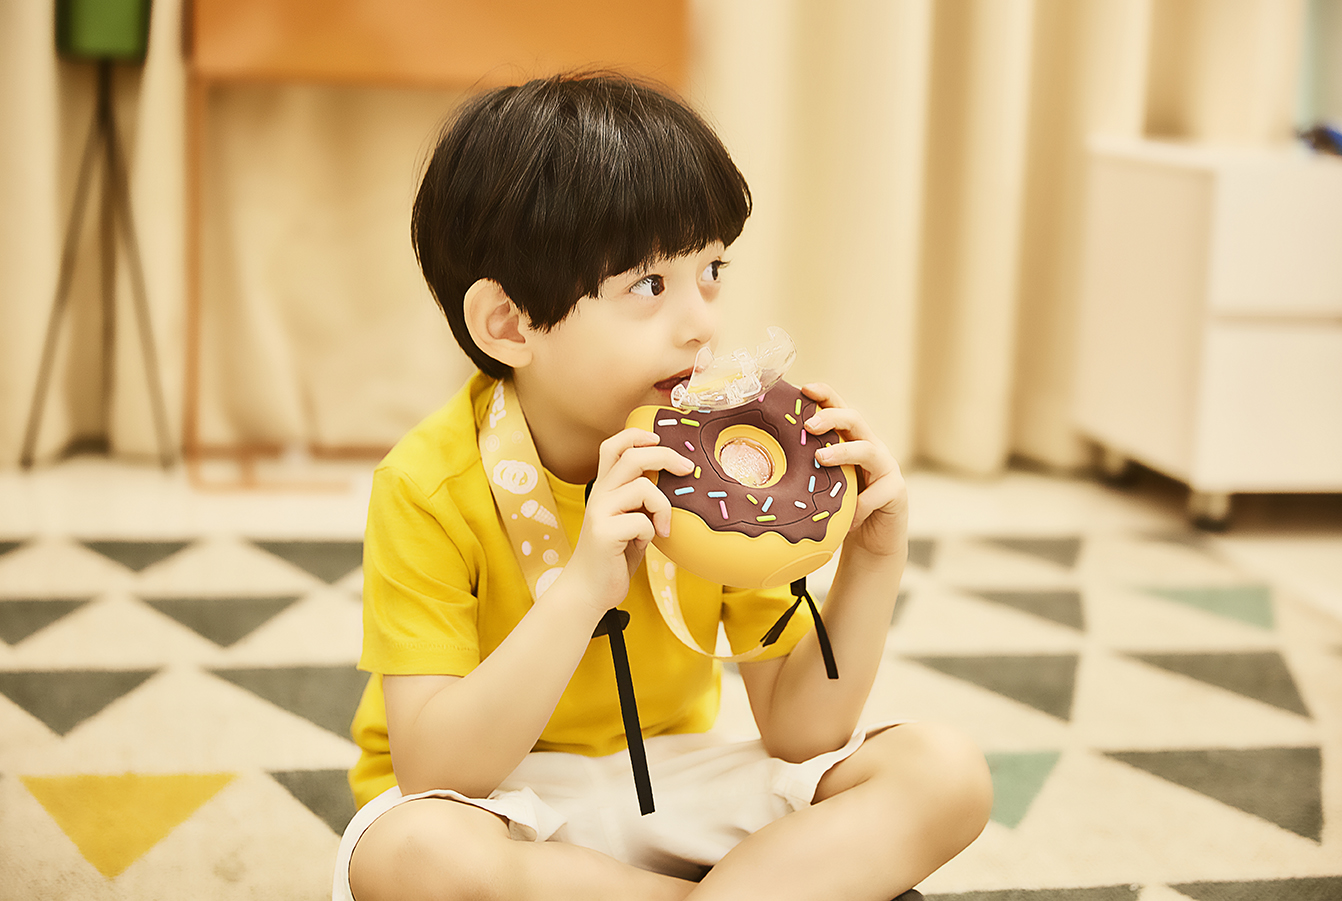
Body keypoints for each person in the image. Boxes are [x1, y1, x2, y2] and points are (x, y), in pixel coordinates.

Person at [334, 72, 991, 901]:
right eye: (650, 286)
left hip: (679, 785)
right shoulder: (428, 484)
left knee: (944, 770)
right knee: (411, 855)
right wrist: (580, 589)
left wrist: (872, 558)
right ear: (509, 324)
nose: (702, 322)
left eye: (712, 270)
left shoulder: (722, 462)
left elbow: (799, 731)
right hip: (504, 806)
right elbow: (438, 767)